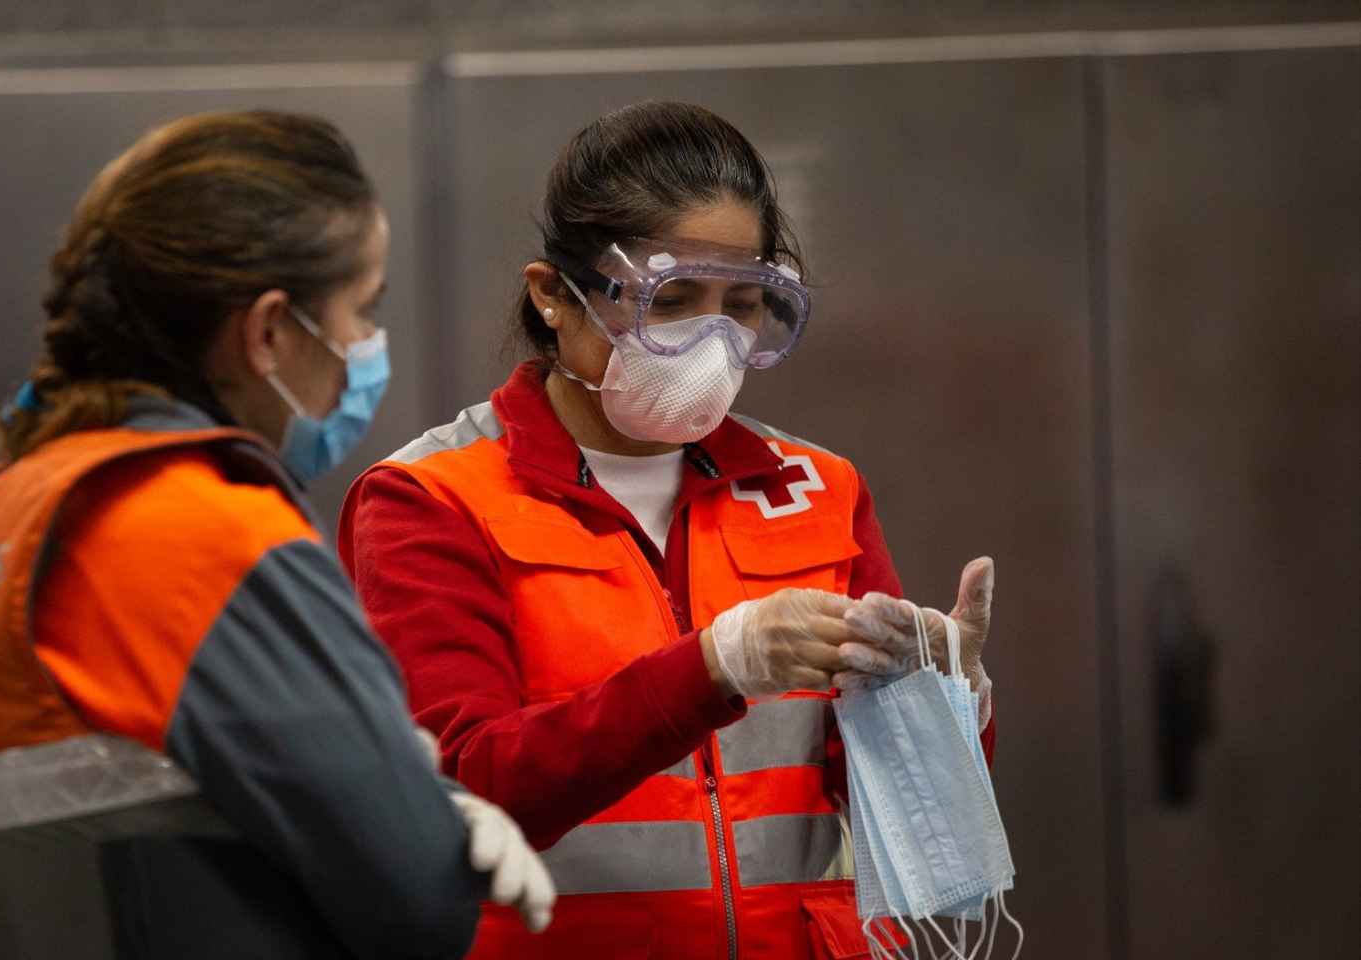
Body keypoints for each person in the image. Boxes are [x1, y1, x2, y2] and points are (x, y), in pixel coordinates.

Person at [338, 101, 997, 960]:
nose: (712, 341)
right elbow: (460, 787)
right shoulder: (433, 498)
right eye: (671, 299)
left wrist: (943, 707)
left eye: (746, 304)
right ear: (552, 297)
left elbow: (892, 811)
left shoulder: (815, 488)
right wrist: (710, 669)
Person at [0, 111, 552, 960]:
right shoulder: (200, 531)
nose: (365, 346)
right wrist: (428, 819)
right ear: (269, 332)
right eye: (362, 309)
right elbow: (423, 903)